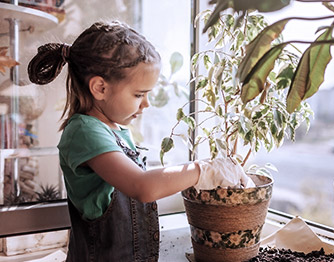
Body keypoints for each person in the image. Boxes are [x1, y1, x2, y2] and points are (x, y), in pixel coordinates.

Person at [27, 21, 246, 262]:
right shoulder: (84, 132)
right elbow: (143, 187)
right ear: (100, 88)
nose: (146, 104)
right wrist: (202, 170)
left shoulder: (116, 130)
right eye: (139, 95)